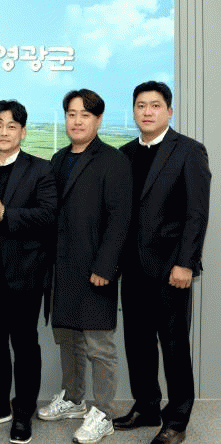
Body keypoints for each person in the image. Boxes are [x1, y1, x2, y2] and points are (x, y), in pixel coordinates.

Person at [113, 81, 211, 444]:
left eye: (155, 105)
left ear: (169, 111)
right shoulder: (124, 153)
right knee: (137, 343)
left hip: (172, 269)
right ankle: (146, 407)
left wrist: (186, 263)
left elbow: (197, 213)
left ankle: (177, 420)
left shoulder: (189, 151)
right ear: (134, 111)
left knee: (174, 346)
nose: (147, 112)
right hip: (132, 269)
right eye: (141, 105)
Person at [38, 89, 132, 444]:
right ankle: (74, 399)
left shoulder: (113, 160)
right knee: (68, 339)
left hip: (95, 268)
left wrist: (106, 266)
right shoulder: (58, 158)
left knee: (99, 345)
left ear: (98, 120)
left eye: (85, 115)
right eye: (71, 114)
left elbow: (120, 219)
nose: (77, 121)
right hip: (61, 268)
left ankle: (103, 413)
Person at [0, 100, 57, 444]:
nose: (4, 132)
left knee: (25, 346)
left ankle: (23, 411)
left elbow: (49, 216)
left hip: (24, 276)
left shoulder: (41, 169)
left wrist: (6, 213)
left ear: (23, 132)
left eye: (12, 126)